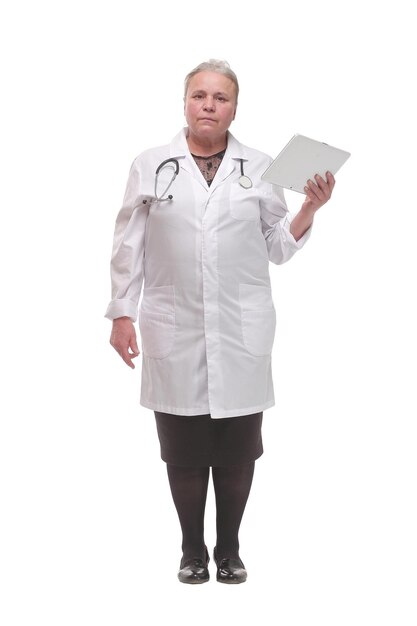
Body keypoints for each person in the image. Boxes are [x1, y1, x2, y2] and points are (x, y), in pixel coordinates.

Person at [105, 59, 335, 584]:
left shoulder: (260, 165)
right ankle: (191, 549)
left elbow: (277, 246)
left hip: (239, 330)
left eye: (221, 98)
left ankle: (229, 548)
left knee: (237, 449)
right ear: (185, 102)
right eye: (200, 96)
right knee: (182, 449)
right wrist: (121, 312)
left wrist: (308, 210)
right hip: (173, 324)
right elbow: (127, 245)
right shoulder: (150, 163)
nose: (209, 105)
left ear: (235, 107)